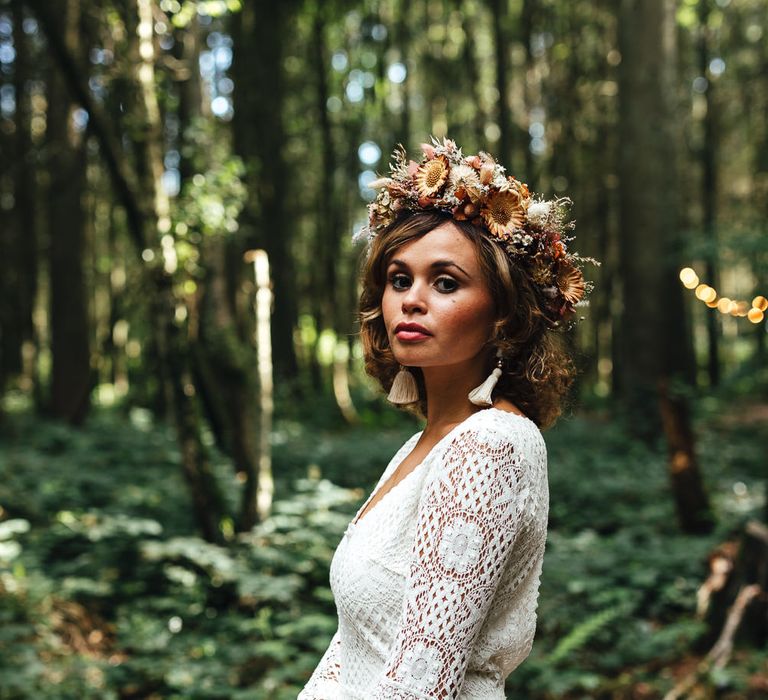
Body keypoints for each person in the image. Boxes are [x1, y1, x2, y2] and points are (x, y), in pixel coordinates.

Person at [298, 137, 593, 699]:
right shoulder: (419, 448)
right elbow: (355, 644)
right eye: (399, 278)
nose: (411, 300)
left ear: (503, 312)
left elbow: (420, 683)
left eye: (446, 282)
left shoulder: (489, 448)